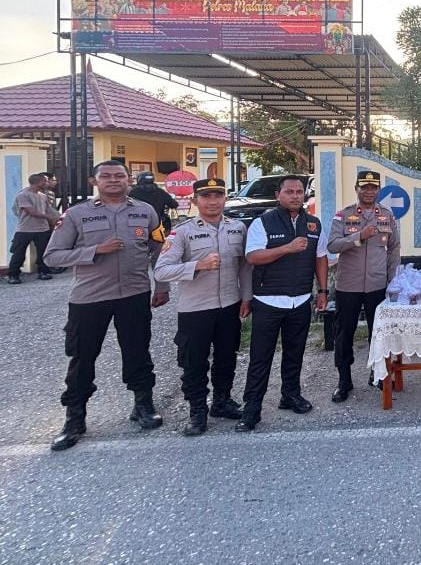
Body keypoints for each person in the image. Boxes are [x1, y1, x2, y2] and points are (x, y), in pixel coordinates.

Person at [43, 160, 171, 451]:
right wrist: (95, 251)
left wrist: (162, 286)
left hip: (134, 294)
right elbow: (52, 256)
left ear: (129, 180)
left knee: (138, 351)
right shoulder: (76, 214)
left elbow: (158, 251)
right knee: (82, 357)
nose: (114, 180)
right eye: (107, 176)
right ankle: (75, 418)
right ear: (94, 181)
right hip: (90, 297)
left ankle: (143, 405)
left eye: (119, 176)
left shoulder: (145, 211)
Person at [153, 178, 251, 436]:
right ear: (195, 200)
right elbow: (161, 271)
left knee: (226, 357)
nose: (213, 201)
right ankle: (197, 410)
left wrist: (246, 296)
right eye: (206, 196)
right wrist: (198, 266)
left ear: (225, 198)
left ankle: (222, 401)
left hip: (229, 304)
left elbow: (244, 266)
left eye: (218, 195)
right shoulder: (182, 232)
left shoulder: (237, 228)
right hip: (195, 309)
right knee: (194, 362)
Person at [236, 175, 329, 432]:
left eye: (299, 192)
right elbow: (253, 257)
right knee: (260, 358)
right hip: (268, 300)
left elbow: (320, 258)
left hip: (300, 300)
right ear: (279, 195)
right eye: (289, 191)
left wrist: (322, 291)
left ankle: (290, 395)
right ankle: (252, 408)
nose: (295, 196)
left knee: (294, 353)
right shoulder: (263, 222)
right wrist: (286, 248)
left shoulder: (313, 224)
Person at [326, 170, 401, 398]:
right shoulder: (343, 215)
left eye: (373, 187)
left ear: (379, 190)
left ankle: (377, 373)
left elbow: (394, 248)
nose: (369, 191)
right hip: (348, 285)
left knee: (377, 332)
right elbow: (333, 245)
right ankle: (344, 380)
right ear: (356, 189)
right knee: (344, 333)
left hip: (377, 284)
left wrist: (392, 279)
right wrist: (358, 236)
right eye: (364, 187)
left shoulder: (387, 215)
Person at [8, 172, 60, 283]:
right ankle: (13, 275)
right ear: (37, 182)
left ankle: (43, 272)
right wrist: (49, 217)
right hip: (25, 229)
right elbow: (31, 211)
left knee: (43, 252)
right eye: (44, 181)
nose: (47, 183)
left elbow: (49, 209)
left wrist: (58, 217)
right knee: (19, 253)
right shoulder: (23, 195)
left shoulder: (43, 196)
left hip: (42, 228)